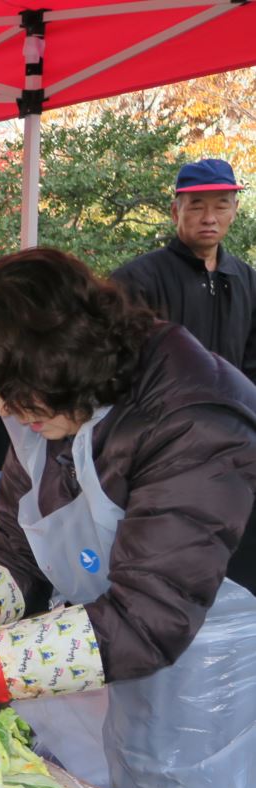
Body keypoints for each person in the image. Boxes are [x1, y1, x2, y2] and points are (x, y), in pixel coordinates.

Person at [0, 248, 256, 788]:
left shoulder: (194, 415)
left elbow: (148, 616)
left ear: (56, 359)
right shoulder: (49, 408)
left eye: (8, 390)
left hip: (222, 672)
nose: (1, 410)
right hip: (133, 664)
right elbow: (17, 546)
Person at [111, 157, 256, 588]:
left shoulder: (248, 281)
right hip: (159, 455)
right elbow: (117, 371)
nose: (209, 217)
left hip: (233, 455)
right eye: (196, 206)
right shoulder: (137, 280)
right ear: (175, 211)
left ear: (234, 210)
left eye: (221, 205)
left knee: (235, 569)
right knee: (166, 572)